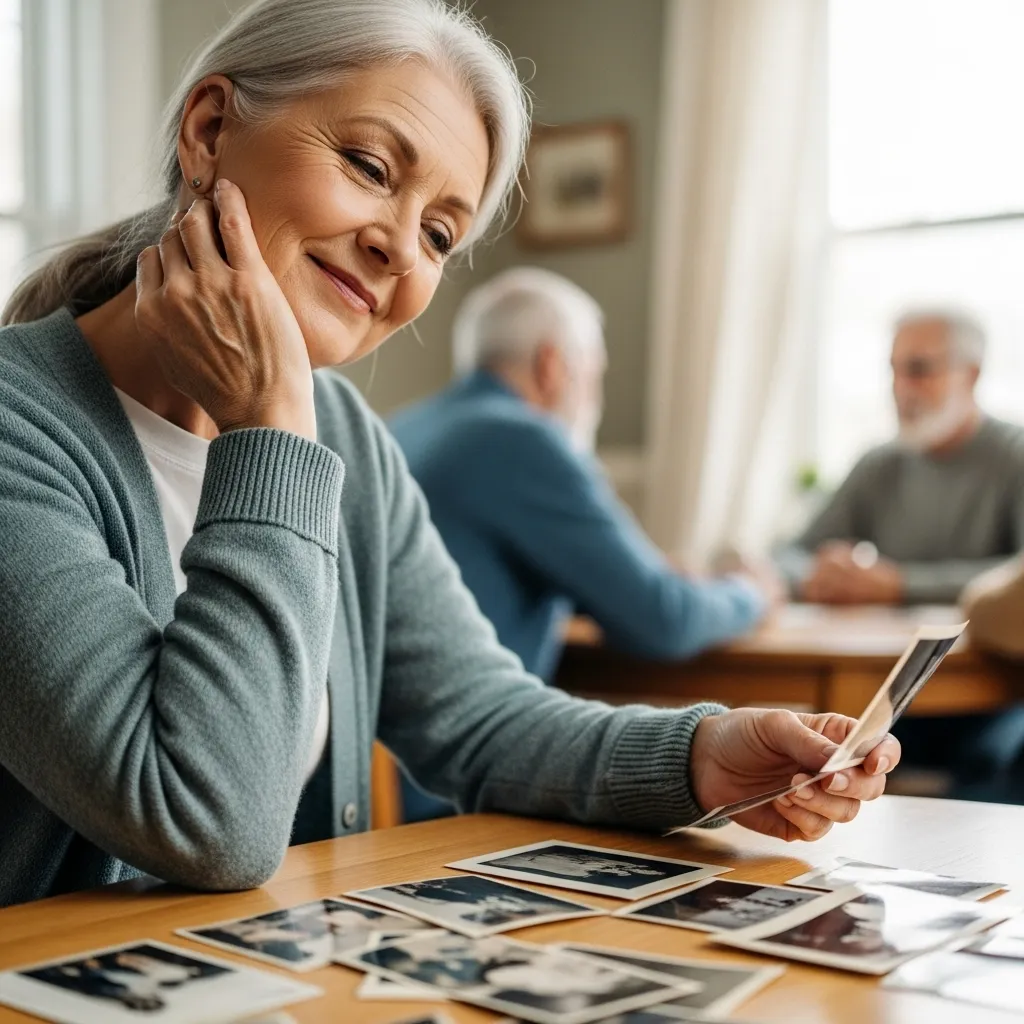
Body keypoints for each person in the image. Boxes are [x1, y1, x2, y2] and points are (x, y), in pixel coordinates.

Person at [0, 0, 899, 910]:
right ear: (210, 129)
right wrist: (268, 424)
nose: (397, 245)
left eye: (440, 233)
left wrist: (699, 756)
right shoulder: (28, 426)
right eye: (368, 166)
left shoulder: (341, 434)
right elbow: (208, 819)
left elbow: (477, 718)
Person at [389, 269, 777, 819]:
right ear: (554, 366)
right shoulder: (522, 439)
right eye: (594, 374)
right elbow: (660, 617)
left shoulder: (405, 426)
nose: (593, 393)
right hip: (445, 784)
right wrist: (751, 593)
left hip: (378, 766)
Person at [778, 309, 1024, 605]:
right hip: (889, 648)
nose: (900, 387)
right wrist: (819, 576)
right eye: (894, 370)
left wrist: (902, 585)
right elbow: (787, 556)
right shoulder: (879, 465)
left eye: (918, 369)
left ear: (971, 375)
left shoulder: (1014, 455)